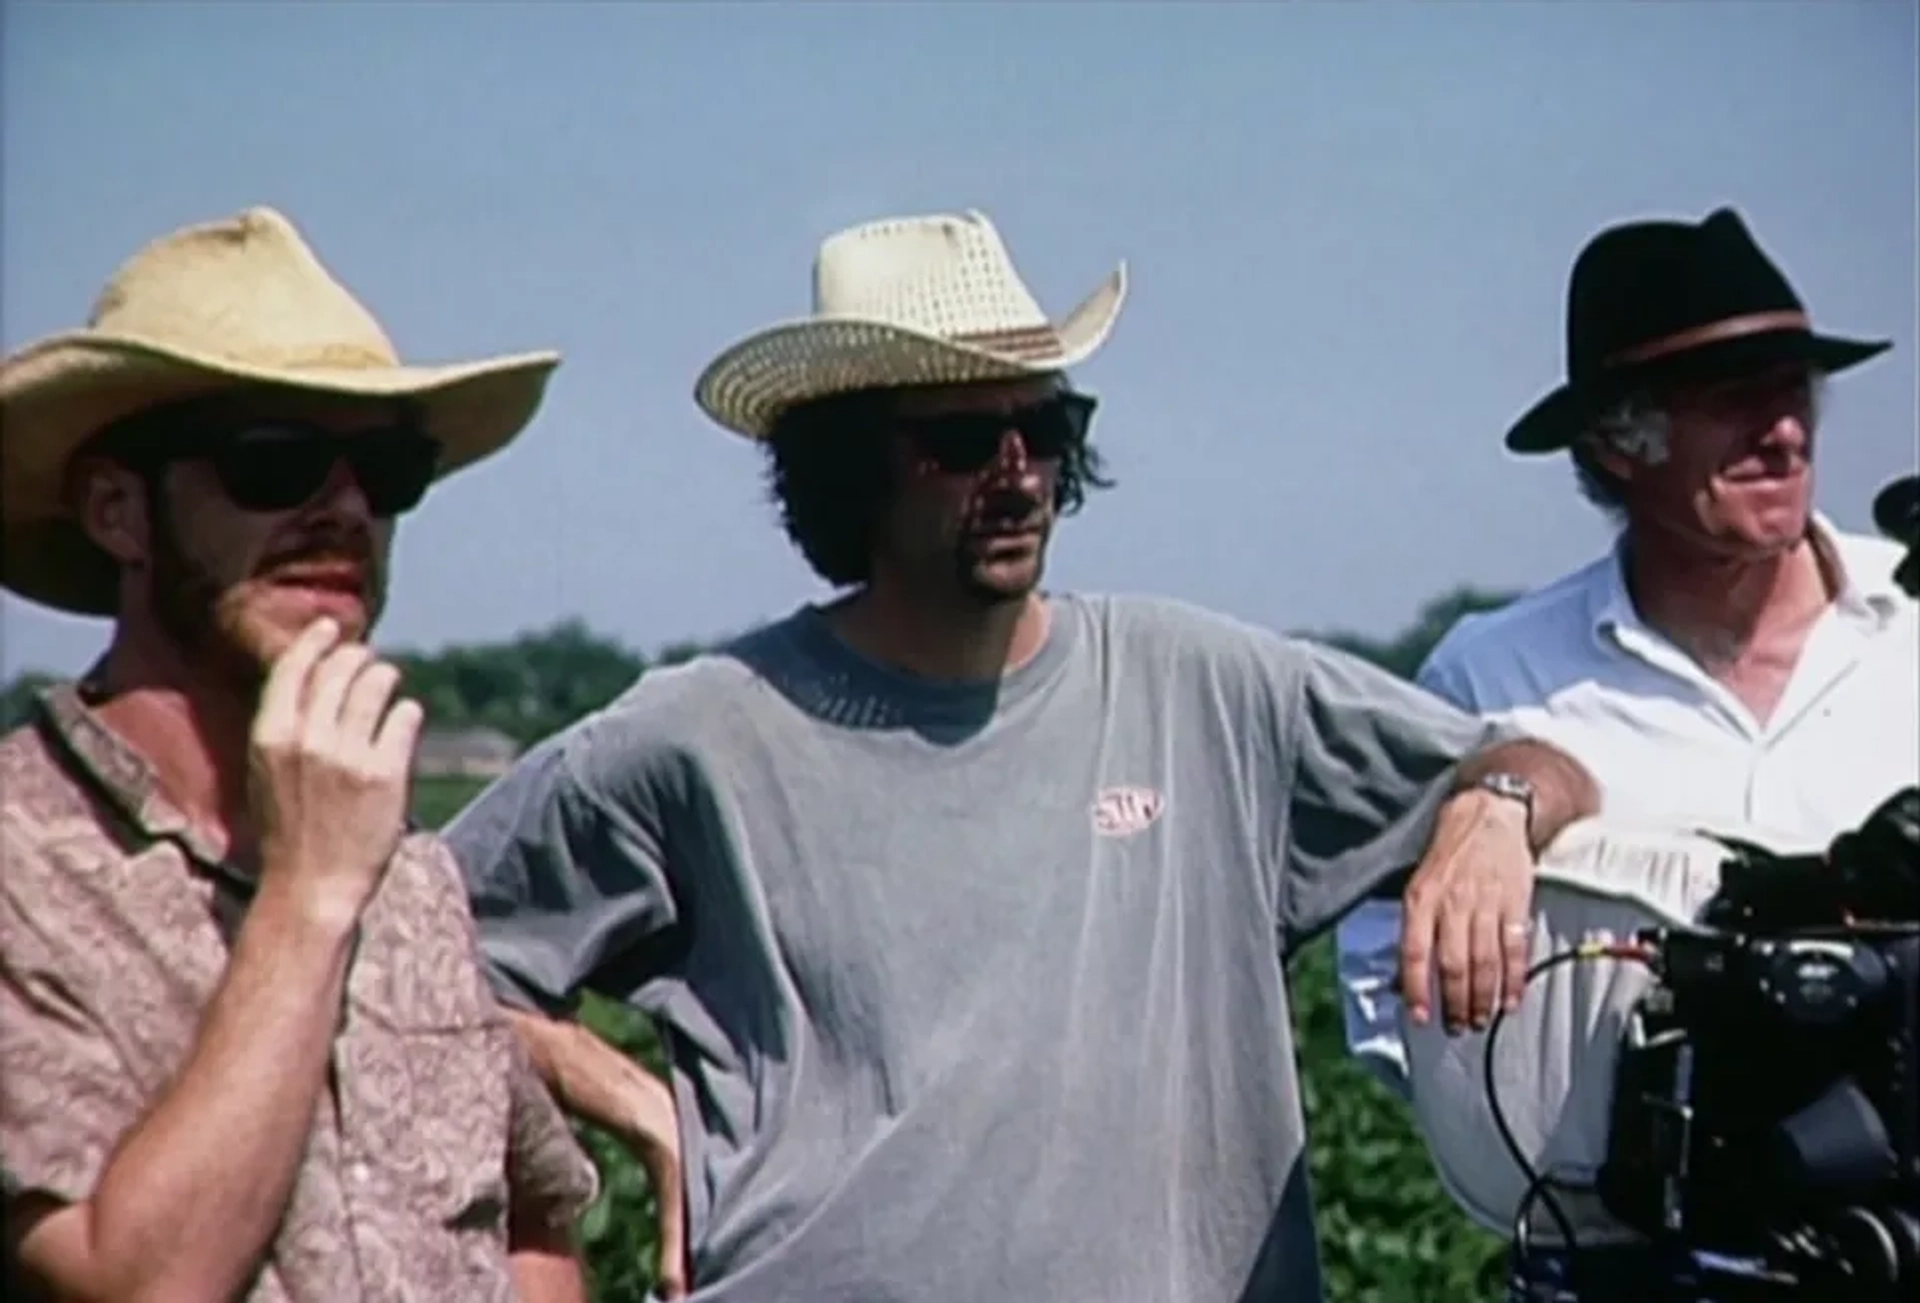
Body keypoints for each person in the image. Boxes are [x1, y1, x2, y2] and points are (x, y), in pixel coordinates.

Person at [443, 208, 1602, 1303]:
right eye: (959, 439)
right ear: (852, 466)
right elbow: (417, 946)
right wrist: (635, 1102)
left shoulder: (1207, 689)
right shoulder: (698, 733)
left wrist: (1493, 809)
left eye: (1044, 429)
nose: (1017, 471)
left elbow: (1540, 762)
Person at [0, 207, 601, 1302]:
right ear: (117, 512)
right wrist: (309, 896)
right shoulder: (20, 872)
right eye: (270, 462)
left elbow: (530, 1216)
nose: (346, 509)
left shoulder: (407, 870)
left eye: (386, 469)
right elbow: (137, 1283)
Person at [1333, 207, 1919, 1300]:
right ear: (1615, 439)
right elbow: (1385, 980)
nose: (1784, 431)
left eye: (1794, 389)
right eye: (1732, 400)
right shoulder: (1495, 674)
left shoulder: (1913, 626)